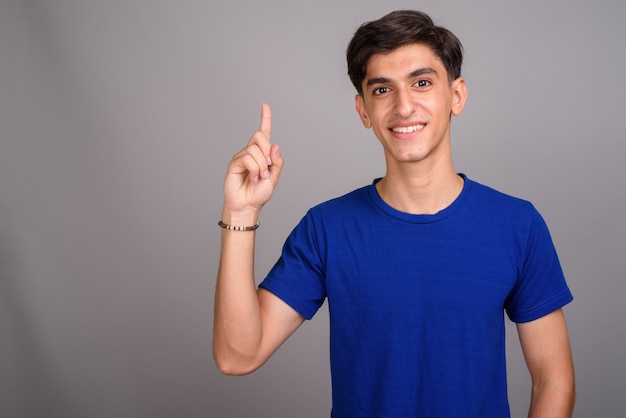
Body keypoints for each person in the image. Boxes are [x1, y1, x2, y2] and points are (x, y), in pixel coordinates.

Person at [213, 9, 575, 417]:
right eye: (382, 90)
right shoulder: (327, 229)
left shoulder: (517, 225)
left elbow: (553, 378)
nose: (404, 106)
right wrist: (239, 211)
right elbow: (237, 356)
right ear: (363, 110)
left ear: (456, 96)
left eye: (421, 83)